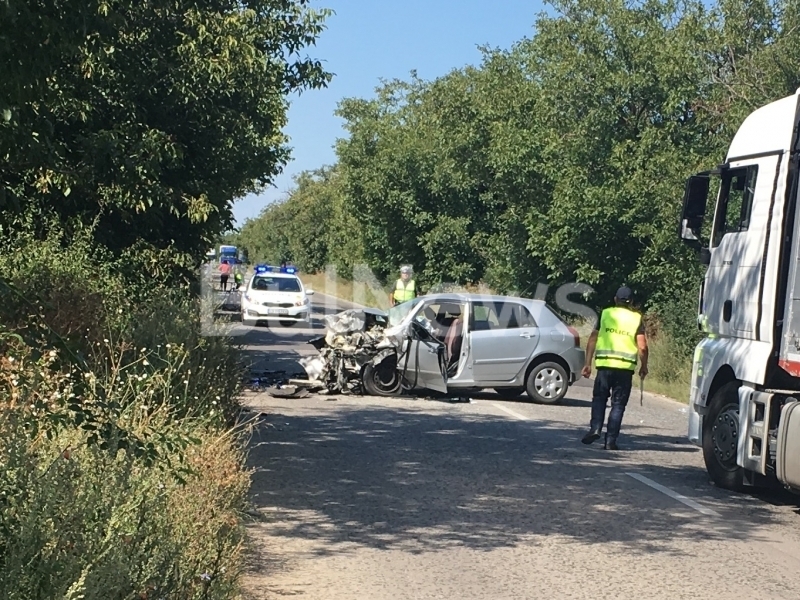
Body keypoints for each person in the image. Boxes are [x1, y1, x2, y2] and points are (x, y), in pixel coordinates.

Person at [580, 286, 648, 450]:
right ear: (631, 302)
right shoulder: (636, 318)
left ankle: (595, 428)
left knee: (599, 399)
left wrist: (588, 363)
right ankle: (610, 441)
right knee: (618, 405)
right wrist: (644, 366)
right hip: (624, 370)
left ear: (615, 299)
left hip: (604, 366)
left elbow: (592, 339)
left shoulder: (605, 314)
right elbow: (643, 347)